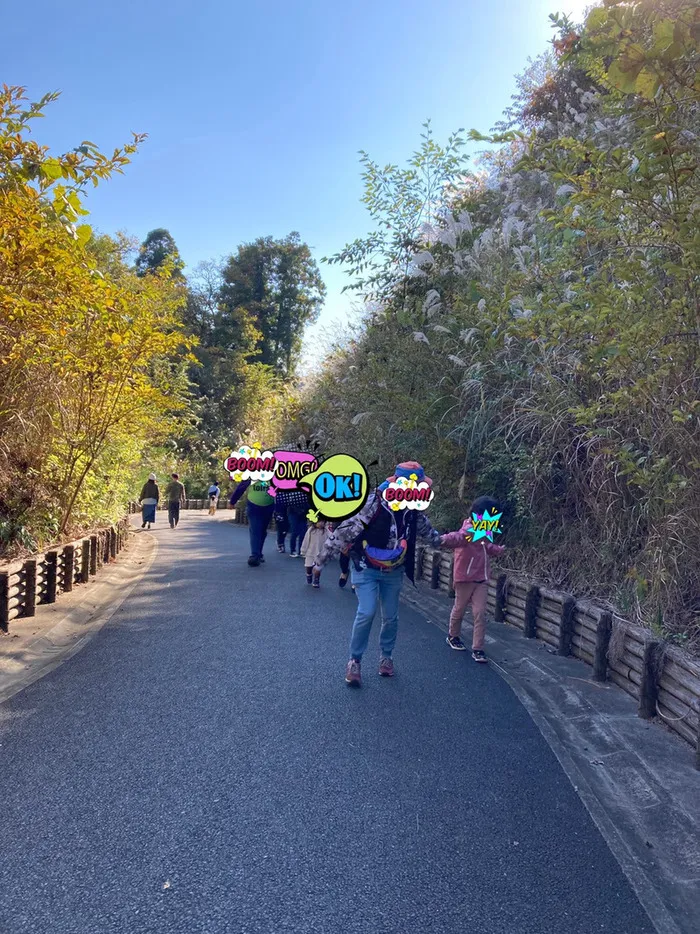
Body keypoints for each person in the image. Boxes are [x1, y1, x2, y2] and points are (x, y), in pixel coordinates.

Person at [312, 462, 441, 687]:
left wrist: (457, 539)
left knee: (391, 616)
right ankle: (354, 661)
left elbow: (427, 531)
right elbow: (347, 530)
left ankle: (386, 658)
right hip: (365, 566)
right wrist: (321, 561)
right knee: (367, 611)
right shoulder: (374, 502)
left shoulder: (413, 508)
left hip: (394, 569)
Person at [440, 495, 505, 662]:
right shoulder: (469, 530)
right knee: (459, 608)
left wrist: (496, 549)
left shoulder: (483, 530)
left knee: (480, 613)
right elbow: (458, 537)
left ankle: (478, 648)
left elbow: (485, 545)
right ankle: (453, 635)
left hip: (481, 578)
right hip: (465, 577)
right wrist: (441, 539)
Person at [229, 478, 275, 566]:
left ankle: (259, 553)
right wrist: (233, 501)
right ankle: (254, 555)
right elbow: (241, 487)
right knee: (255, 530)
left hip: (268, 507)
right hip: (254, 507)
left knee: (262, 531)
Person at [274, 488, 310, 557]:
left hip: (304, 513)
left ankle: (301, 551)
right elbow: (289, 501)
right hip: (293, 512)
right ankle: (292, 550)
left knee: (303, 532)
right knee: (295, 531)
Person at [300, 519, 329, 588]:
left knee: (318, 568)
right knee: (308, 566)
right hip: (310, 552)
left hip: (320, 553)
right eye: (319, 522)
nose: (321, 523)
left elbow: (330, 539)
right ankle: (309, 574)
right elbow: (306, 540)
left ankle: (316, 580)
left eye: (323, 522)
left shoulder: (326, 531)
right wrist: (303, 550)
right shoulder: (311, 530)